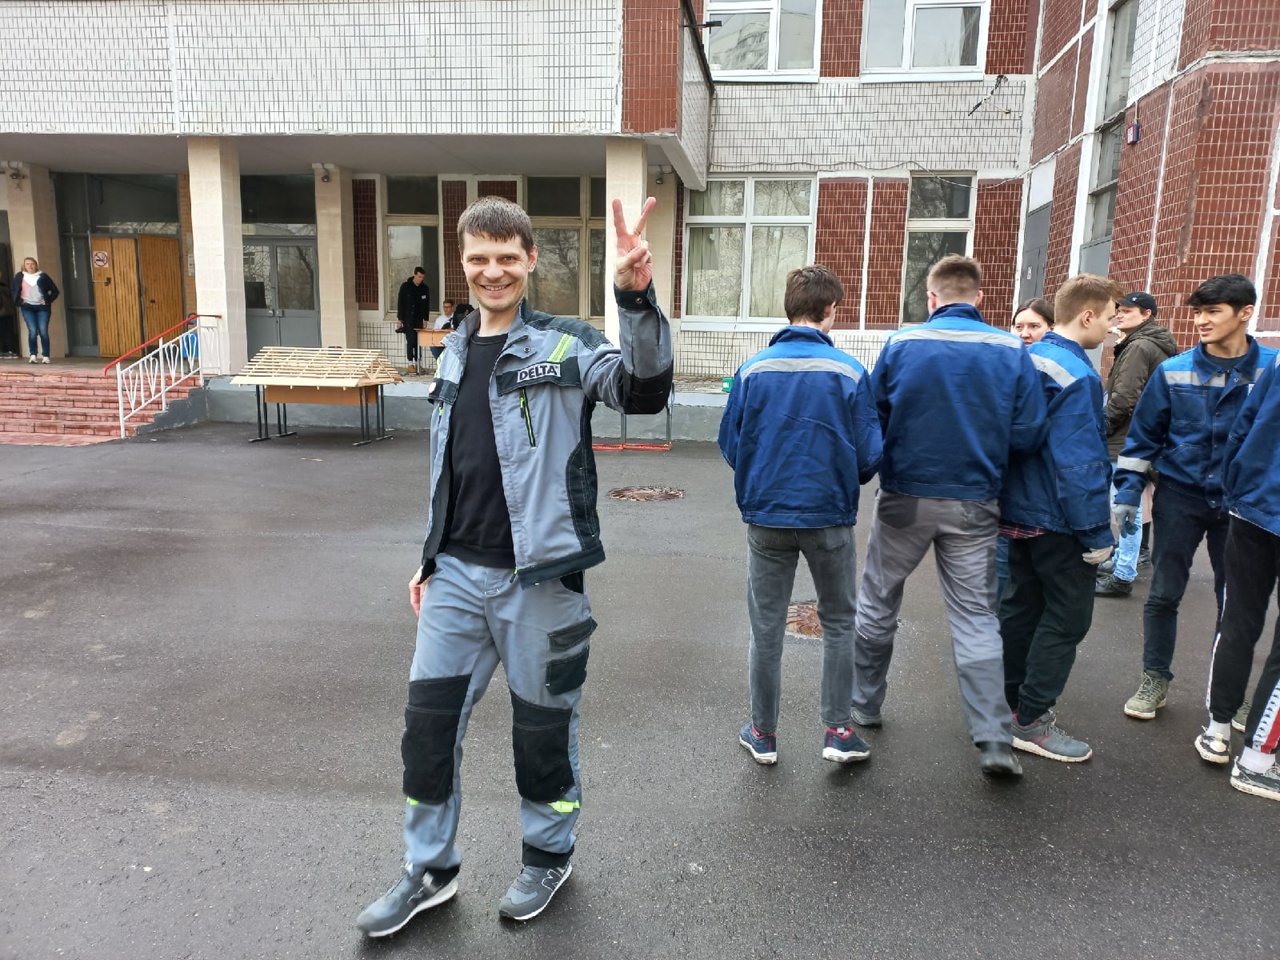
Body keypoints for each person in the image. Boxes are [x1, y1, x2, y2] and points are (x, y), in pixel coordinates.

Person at [356, 196, 672, 934]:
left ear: (530, 260)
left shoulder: (567, 344)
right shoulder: (454, 348)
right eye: (478, 259)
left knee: (541, 732)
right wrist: (428, 557)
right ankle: (429, 869)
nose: (492, 271)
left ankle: (547, 856)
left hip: (541, 581)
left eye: (506, 257)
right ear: (462, 264)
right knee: (427, 730)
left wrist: (635, 298)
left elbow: (642, 391)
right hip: (455, 578)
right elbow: (451, 467)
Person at [852, 255, 1047, 778]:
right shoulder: (1011, 349)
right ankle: (994, 737)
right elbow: (1029, 432)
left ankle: (864, 705)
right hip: (975, 501)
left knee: (878, 599)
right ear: (979, 298)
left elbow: (873, 418)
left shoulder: (901, 344)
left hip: (905, 496)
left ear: (931, 298)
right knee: (976, 617)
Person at [718, 265, 883, 767]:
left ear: (788, 308)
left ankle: (762, 733)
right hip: (829, 515)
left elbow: (731, 443)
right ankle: (838, 730)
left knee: (766, 627)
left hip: (767, 515)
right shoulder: (849, 371)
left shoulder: (752, 370)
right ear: (831, 309)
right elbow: (869, 453)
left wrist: (761, 478)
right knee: (840, 622)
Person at [1114, 274, 1277, 721]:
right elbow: (1143, 438)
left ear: (1245, 313)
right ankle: (1154, 678)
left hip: (1240, 506)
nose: (1201, 321)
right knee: (1164, 593)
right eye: (1198, 312)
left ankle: (1228, 694)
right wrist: (1127, 492)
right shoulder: (1174, 370)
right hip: (1180, 497)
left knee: (1236, 604)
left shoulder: (1272, 371)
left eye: (1213, 312)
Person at [998, 275, 1120, 762]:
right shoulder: (1078, 374)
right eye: (1109, 317)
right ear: (1087, 316)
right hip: (1057, 516)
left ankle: (1005, 706)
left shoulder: (1024, 358)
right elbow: (1079, 461)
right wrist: (1096, 532)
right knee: (1068, 616)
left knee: (1020, 607)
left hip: (1015, 510)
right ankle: (1030, 720)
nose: (1111, 328)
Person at [1194, 351, 1280, 802]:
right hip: (1254, 501)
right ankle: (1258, 760)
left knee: (1238, 621)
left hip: (1253, 504)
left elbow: (1244, 424)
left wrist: (1235, 490)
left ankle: (1217, 730)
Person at [1094, 292, 1177, 598]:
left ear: (1146, 314)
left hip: (1126, 438)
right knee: (1131, 504)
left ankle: (1123, 574)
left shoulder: (1140, 346)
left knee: (1127, 508)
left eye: (1127, 311)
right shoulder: (1147, 343)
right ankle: (1121, 561)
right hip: (1139, 436)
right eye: (1118, 310)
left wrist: (1101, 430)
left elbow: (1125, 397)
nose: (1119, 315)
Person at [997, 298, 1056, 602]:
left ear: (1052, 328)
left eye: (1034, 326)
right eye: (1018, 326)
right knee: (1001, 567)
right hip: (1005, 485)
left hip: (1040, 489)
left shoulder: (1056, 371)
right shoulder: (1006, 367)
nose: (1025, 333)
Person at [9, 257, 59, 363]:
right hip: (27, 307)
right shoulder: (19, 276)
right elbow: (13, 289)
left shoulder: (43, 276)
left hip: (42, 307)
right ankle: (33, 355)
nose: (30, 266)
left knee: (43, 331)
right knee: (32, 331)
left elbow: (55, 291)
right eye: (27, 264)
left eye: (32, 264)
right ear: (24, 265)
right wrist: (19, 301)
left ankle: (46, 356)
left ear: (36, 265)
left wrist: (48, 300)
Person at [395, 266, 431, 374]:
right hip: (408, 318)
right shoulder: (406, 287)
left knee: (418, 341)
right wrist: (400, 319)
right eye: (419, 277)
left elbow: (426, 305)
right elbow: (401, 303)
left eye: (422, 277)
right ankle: (410, 363)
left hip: (419, 318)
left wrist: (425, 319)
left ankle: (418, 363)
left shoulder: (424, 288)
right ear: (414, 275)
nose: (421, 279)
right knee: (410, 340)